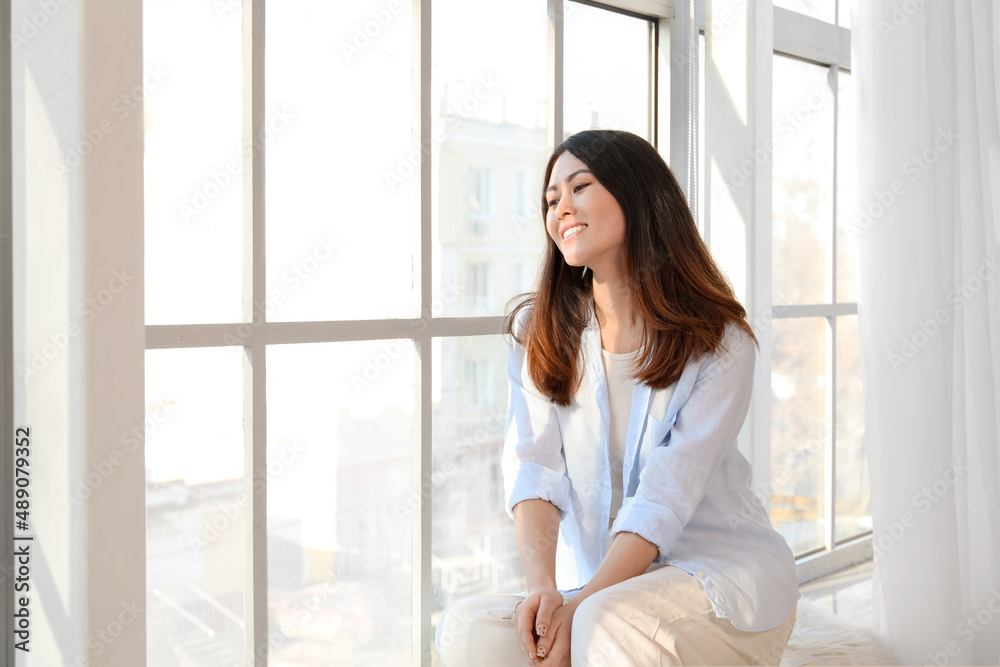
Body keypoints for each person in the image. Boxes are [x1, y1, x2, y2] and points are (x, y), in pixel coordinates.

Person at [435, 129, 800, 666]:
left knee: (606, 627)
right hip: (605, 583)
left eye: (580, 187)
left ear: (637, 195)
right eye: (551, 199)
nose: (561, 207)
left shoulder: (720, 343)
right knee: (472, 630)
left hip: (720, 577)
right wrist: (545, 589)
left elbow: (663, 499)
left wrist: (584, 605)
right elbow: (535, 470)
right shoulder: (541, 331)